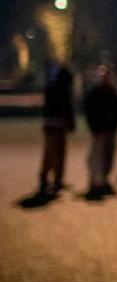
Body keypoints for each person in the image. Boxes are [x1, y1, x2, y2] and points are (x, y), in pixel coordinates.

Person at [82, 65, 117, 200]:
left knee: (108, 155)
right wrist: (95, 127)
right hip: (98, 130)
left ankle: (104, 180)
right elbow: (89, 111)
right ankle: (95, 182)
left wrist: (113, 126)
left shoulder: (113, 93)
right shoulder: (95, 93)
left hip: (110, 130)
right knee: (96, 157)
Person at [38, 58, 75, 198]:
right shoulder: (61, 91)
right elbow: (66, 109)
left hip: (50, 126)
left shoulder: (51, 88)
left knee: (50, 154)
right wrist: (70, 123)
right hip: (56, 127)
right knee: (56, 154)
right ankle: (55, 180)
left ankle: (48, 179)